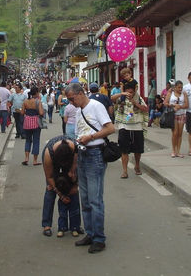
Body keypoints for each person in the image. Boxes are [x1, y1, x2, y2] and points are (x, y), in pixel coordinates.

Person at [65, 82, 116, 254]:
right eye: (69, 100)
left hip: (95, 155)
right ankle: (90, 233)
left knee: (95, 200)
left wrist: (91, 137)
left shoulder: (96, 106)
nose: (71, 103)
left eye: (72, 99)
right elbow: (80, 134)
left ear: (80, 93)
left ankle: (99, 238)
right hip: (83, 155)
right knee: (85, 199)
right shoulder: (78, 111)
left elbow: (110, 128)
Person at [41, 136, 81, 238]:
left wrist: (75, 182)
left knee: (73, 191)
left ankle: (75, 225)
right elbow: (49, 177)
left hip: (70, 160)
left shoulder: (75, 148)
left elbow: (78, 170)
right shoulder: (48, 154)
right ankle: (46, 225)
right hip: (53, 160)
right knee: (50, 191)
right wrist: (60, 194)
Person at [114, 81, 148, 178]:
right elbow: (111, 99)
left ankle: (137, 166)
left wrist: (135, 103)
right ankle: (124, 171)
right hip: (124, 127)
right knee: (124, 150)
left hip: (137, 127)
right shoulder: (122, 98)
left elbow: (145, 109)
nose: (130, 94)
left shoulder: (139, 98)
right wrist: (121, 93)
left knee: (138, 150)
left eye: (132, 92)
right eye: (128, 92)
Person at [22, 88, 44, 166]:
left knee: (28, 140)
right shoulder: (38, 102)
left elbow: (22, 112)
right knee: (36, 141)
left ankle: (26, 158)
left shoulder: (25, 101)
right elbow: (41, 113)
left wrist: (28, 112)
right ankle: (35, 160)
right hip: (36, 123)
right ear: (37, 93)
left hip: (27, 122)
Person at [166, 80, 188, 158]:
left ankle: (178, 151)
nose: (180, 89)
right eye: (178, 87)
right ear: (175, 87)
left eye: (181, 87)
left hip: (181, 114)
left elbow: (186, 105)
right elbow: (165, 103)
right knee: (175, 133)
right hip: (173, 115)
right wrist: (173, 105)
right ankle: (173, 150)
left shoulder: (184, 94)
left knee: (180, 133)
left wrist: (180, 106)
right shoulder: (170, 93)